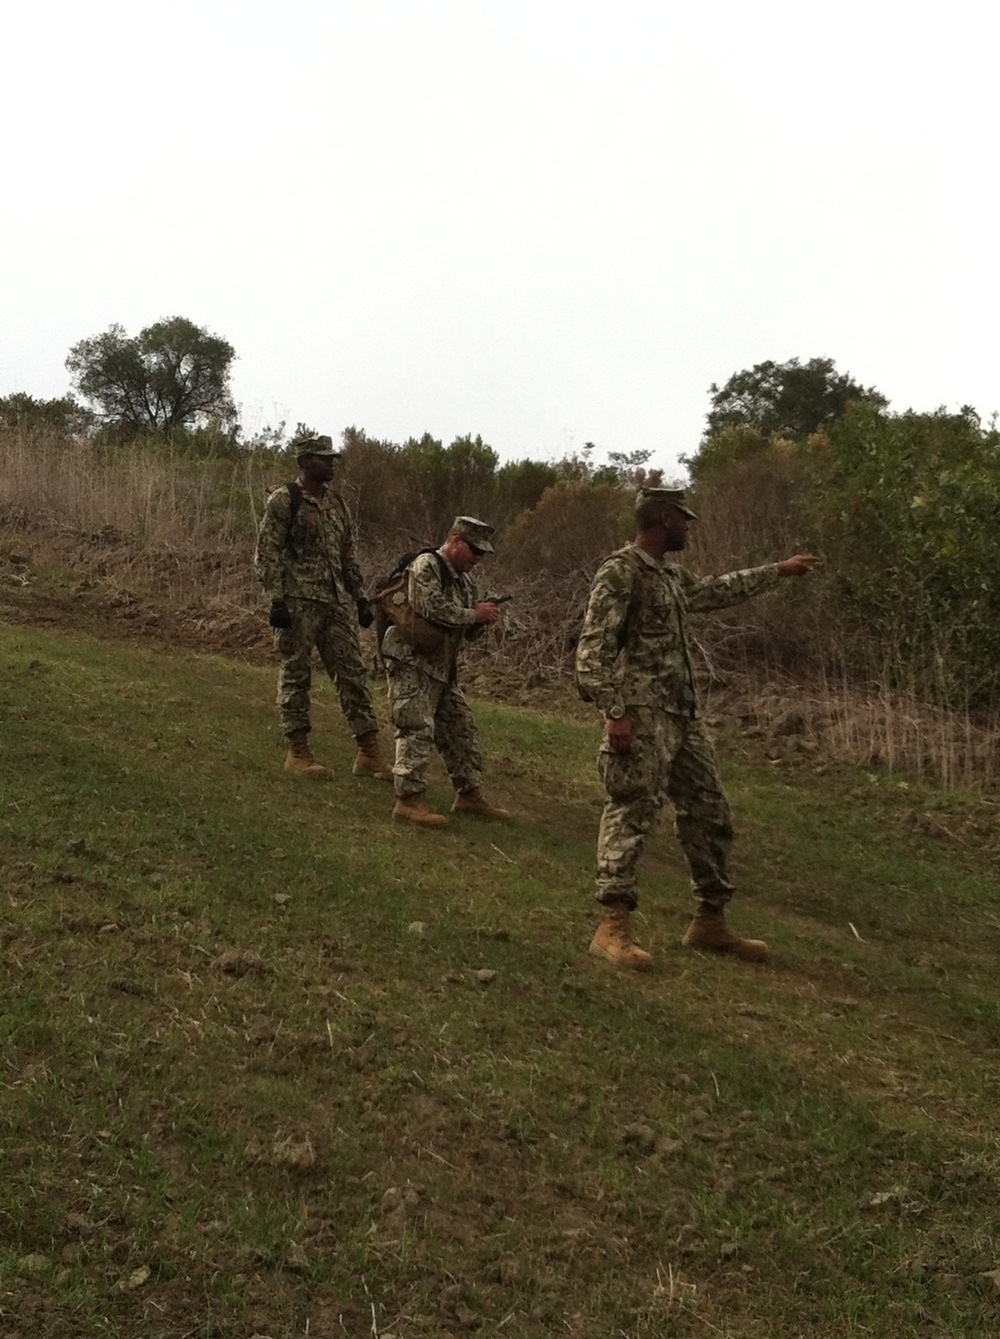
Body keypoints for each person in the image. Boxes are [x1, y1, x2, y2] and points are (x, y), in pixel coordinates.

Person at [575, 486, 819, 969]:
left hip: (683, 718)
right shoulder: (620, 573)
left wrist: (777, 572)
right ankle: (612, 927)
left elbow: (714, 590)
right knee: (632, 810)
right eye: (684, 519)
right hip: (642, 717)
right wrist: (616, 712)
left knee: (710, 812)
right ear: (665, 519)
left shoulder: (668, 575)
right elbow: (590, 655)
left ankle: (710, 921)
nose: (689, 527)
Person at [253, 433, 391, 780]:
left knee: (352, 675)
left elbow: (347, 557)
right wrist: (276, 599)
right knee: (297, 674)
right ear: (304, 462)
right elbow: (266, 552)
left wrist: (360, 597)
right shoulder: (285, 501)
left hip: (332, 602)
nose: (331, 464)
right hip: (297, 603)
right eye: (323, 458)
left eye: (332, 458)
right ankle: (298, 752)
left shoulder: (337, 505)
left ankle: (368, 753)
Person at [382, 516, 511, 827]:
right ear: (455, 542)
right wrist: (473, 614)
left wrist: (482, 618)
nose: (477, 560)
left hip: (441, 669)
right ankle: (408, 801)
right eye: (474, 552)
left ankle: (469, 795)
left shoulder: (464, 582)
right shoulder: (427, 565)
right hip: (412, 663)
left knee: (461, 729)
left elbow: (463, 630)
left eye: (482, 554)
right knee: (416, 729)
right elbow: (431, 607)